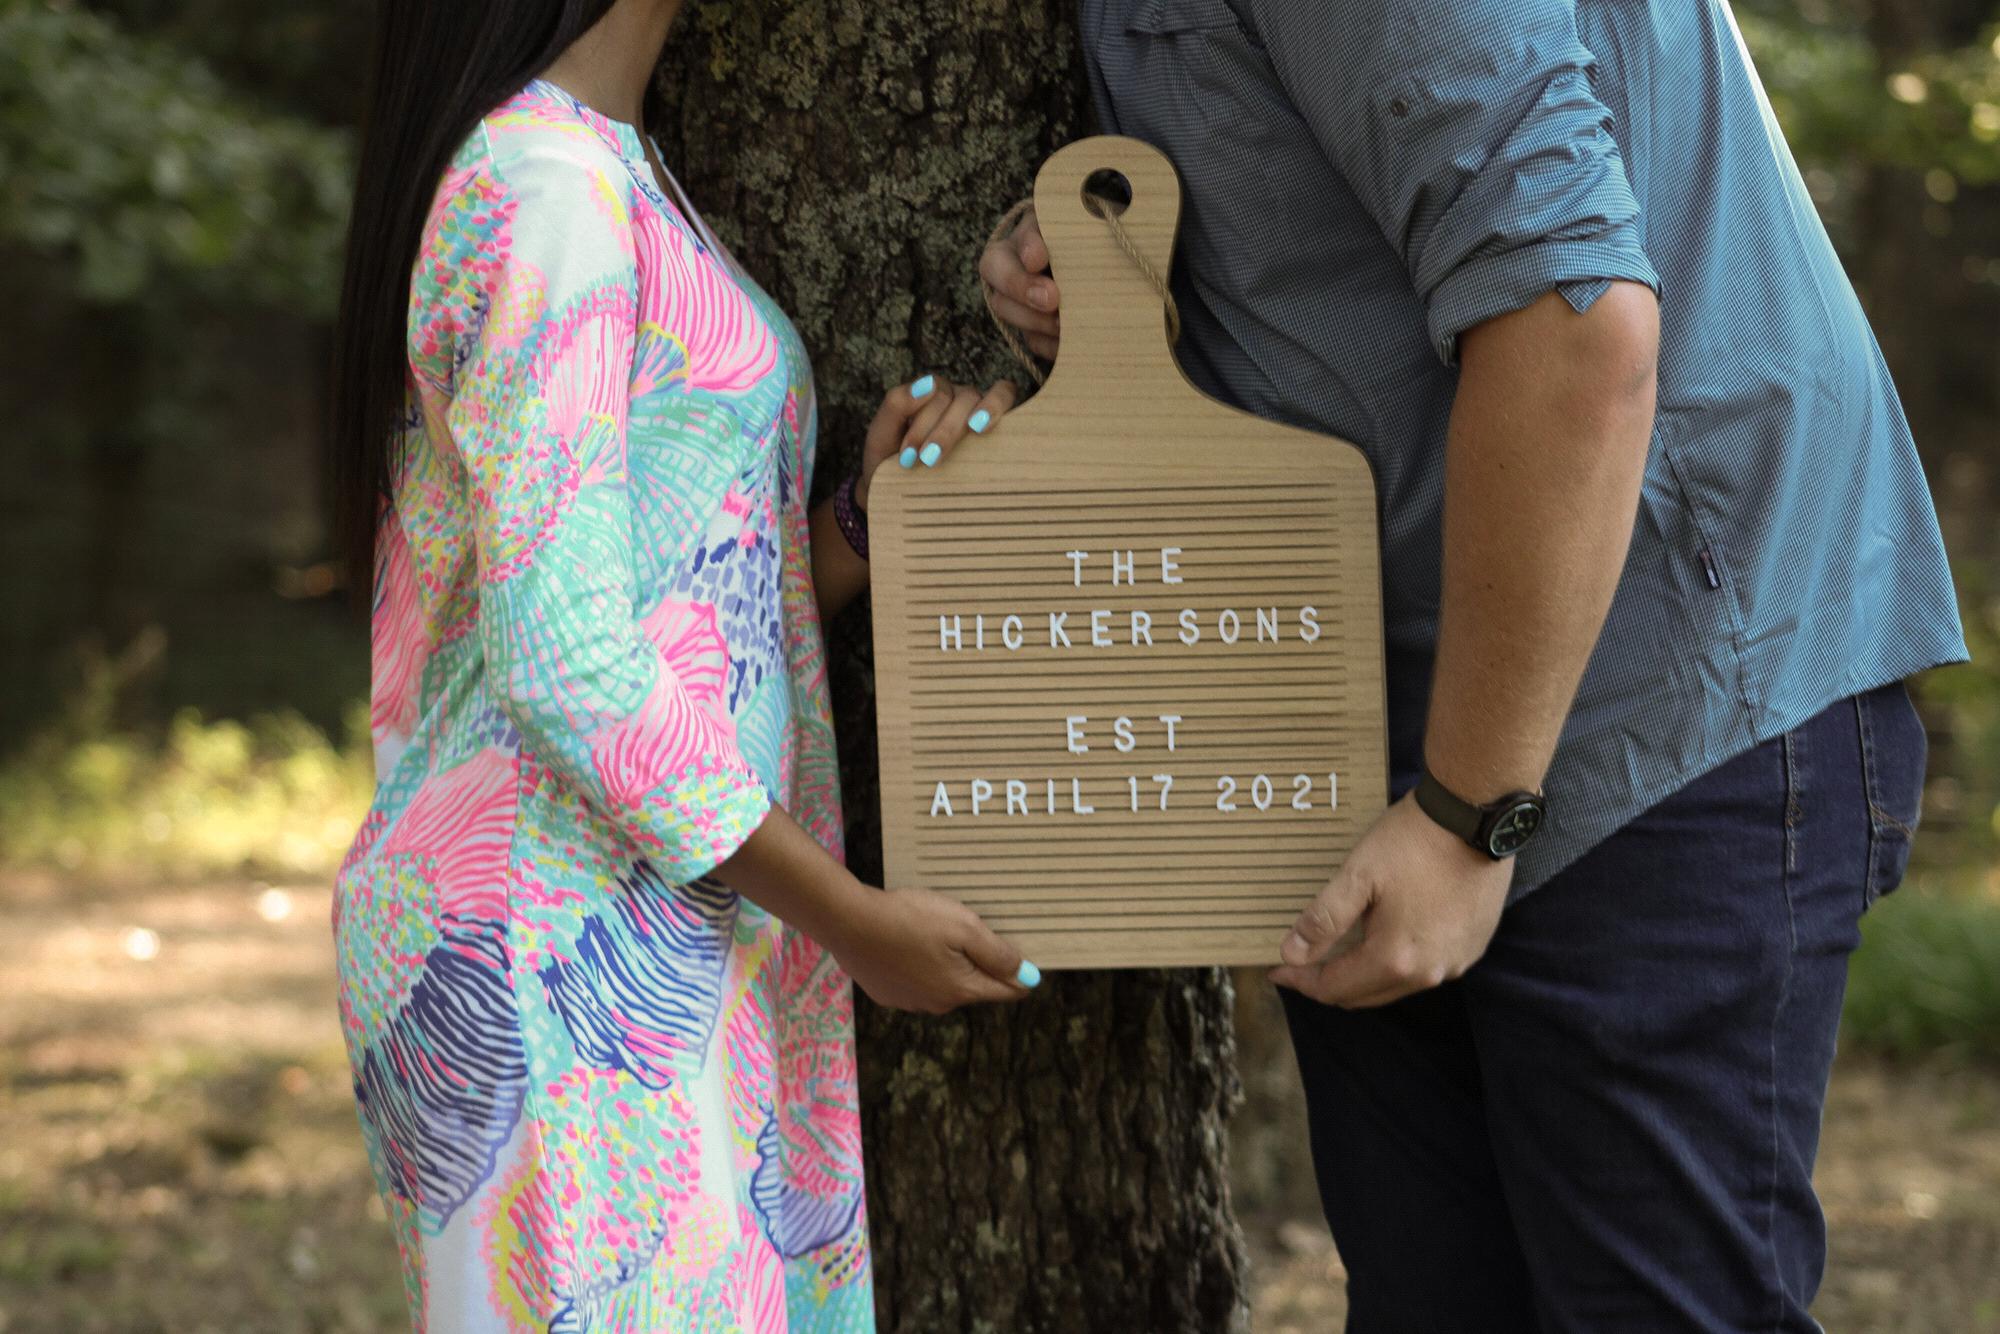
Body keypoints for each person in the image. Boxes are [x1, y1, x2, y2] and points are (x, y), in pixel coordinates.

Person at [983, 1, 1966, 1328]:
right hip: (1406, 747)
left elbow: (1575, 324)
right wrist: (1127, 286)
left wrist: (1466, 814)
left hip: (1637, 722)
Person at [327, 0, 1032, 1326]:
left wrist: (859, 525)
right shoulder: (544, 185)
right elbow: (567, 662)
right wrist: (852, 920)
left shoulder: (609, 165)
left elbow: (656, 604)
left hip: (660, 925)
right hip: (557, 950)